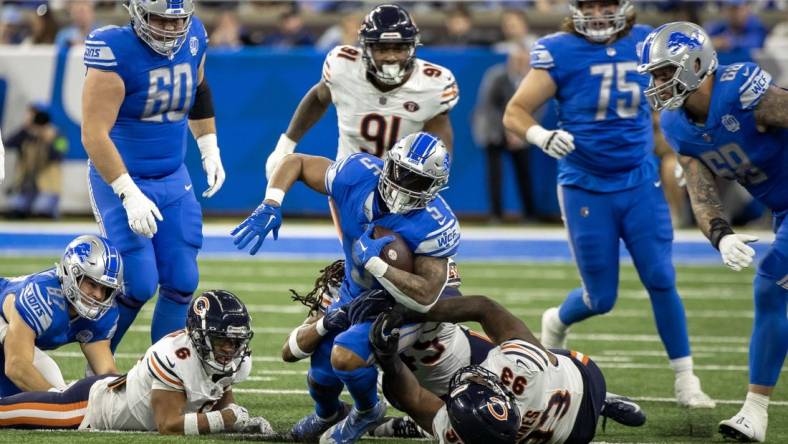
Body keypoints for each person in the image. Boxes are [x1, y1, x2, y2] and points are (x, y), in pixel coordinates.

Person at [502, 0, 713, 408]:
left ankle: (687, 378)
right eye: (589, 5)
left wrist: (687, 153)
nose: (598, 13)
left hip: (639, 179)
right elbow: (516, 112)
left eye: (606, 4)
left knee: (660, 276)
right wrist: (541, 137)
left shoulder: (648, 43)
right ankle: (556, 320)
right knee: (601, 298)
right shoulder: (559, 49)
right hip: (585, 184)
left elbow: (680, 101)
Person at [233, 132, 460, 443]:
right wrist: (272, 201)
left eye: (416, 180)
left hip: (400, 308)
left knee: (346, 356)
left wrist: (379, 265)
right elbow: (295, 162)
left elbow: (425, 297)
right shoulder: (358, 173)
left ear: (433, 187)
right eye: (400, 171)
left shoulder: (436, 223)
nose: (403, 183)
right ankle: (328, 414)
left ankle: (368, 410)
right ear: (389, 162)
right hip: (354, 292)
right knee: (321, 375)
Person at [638, 21, 788, 442]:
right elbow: (702, 194)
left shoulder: (741, 91)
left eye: (665, 72)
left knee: (769, 287)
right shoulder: (676, 126)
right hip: (782, 208)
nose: (657, 83)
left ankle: (754, 412)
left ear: (697, 64)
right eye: (653, 74)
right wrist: (721, 235)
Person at [81, 0, 226, 352]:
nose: (172, 30)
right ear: (136, 12)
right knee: (139, 281)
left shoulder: (194, 36)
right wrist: (128, 192)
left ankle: (165, 372)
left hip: (173, 177)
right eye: (161, 19)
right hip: (121, 179)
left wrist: (209, 147)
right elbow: (93, 134)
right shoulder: (114, 49)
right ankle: (97, 365)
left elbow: (199, 88)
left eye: (179, 21)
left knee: (182, 278)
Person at [368, 294, 647, 444]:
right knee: (545, 357)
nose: (475, 375)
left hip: (572, 436)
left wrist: (388, 356)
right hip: (586, 381)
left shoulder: (458, 434)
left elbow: (413, 397)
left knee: (416, 393)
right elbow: (484, 307)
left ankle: (416, 427)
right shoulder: (522, 366)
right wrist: (415, 312)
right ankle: (603, 401)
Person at [0, 290, 274, 437]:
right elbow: (168, 425)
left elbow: (220, 397)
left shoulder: (236, 361)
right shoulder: (173, 356)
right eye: (220, 340)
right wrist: (223, 419)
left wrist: (238, 420)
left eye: (235, 342)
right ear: (199, 337)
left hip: (113, 394)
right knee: (7, 414)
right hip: (90, 408)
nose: (229, 349)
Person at [281, 260, 491, 439]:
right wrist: (325, 323)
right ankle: (330, 414)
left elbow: (452, 298)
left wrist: (400, 308)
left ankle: (401, 425)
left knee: (481, 428)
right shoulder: (347, 284)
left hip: (464, 366)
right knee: (329, 346)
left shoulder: (427, 263)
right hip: (404, 383)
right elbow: (289, 352)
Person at [264, 3, 457, 177]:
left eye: (399, 48)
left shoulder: (433, 84)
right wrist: (285, 146)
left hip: (402, 185)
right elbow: (318, 97)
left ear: (412, 47)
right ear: (365, 49)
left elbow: (440, 137)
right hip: (348, 181)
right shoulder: (344, 67)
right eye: (382, 49)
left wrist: (433, 176)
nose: (391, 57)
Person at [0, 235, 122, 397]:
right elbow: (16, 365)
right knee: (49, 389)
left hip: (9, 332)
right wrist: (57, 402)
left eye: (105, 289)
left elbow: (106, 372)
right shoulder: (42, 296)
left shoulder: (104, 314)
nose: (99, 296)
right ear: (72, 274)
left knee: (51, 389)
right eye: (92, 284)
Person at [474, 45, 536, 221]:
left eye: (525, 60)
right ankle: (496, 214)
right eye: (517, 60)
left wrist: (521, 131)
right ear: (510, 60)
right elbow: (488, 107)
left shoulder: (533, 78)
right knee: (495, 174)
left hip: (520, 131)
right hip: (493, 129)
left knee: (524, 172)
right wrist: (508, 129)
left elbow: (537, 106)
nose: (521, 63)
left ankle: (530, 214)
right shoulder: (496, 76)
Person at [4, 102, 68, 218]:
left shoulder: (57, 133)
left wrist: (50, 142)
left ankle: (51, 209)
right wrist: (24, 129)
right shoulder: (25, 134)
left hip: (47, 183)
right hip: (26, 184)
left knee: (42, 210)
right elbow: (7, 144)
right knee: (16, 210)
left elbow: (61, 153)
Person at [705, 0, 767, 66]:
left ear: (747, 9)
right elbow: (705, 40)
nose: (733, 14)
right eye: (730, 9)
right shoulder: (721, 26)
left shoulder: (756, 26)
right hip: (720, 69)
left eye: (737, 9)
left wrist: (727, 42)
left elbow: (754, 42)